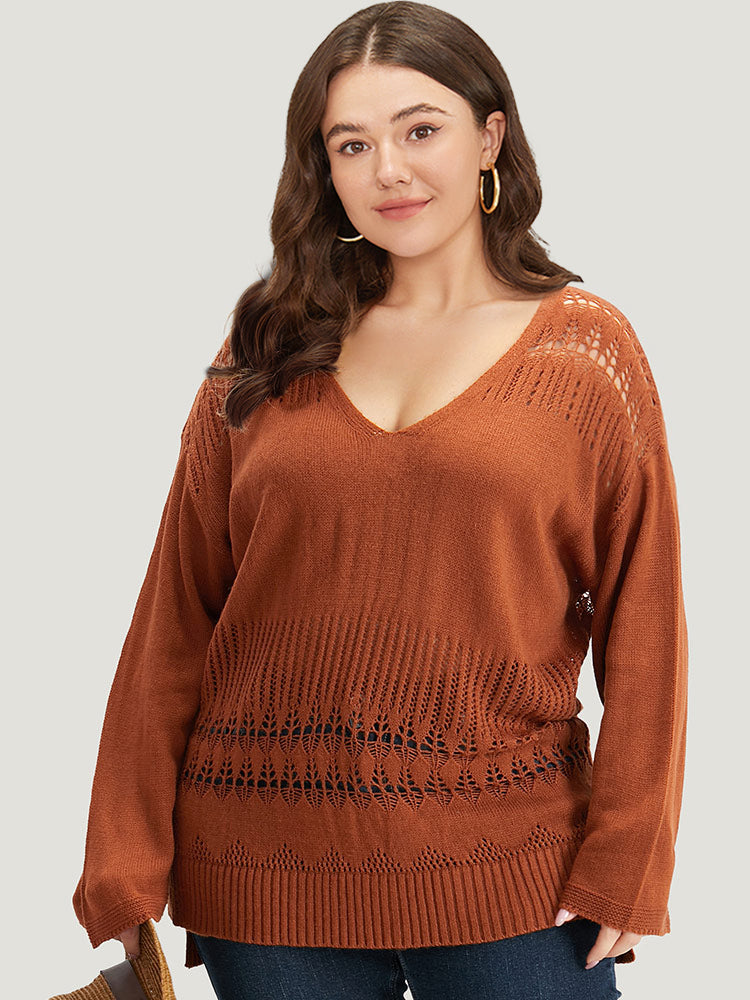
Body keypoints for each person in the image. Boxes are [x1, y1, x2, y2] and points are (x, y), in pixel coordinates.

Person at [71, 3, 688, 999]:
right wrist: (123, 858)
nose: (389, 170)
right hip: (262, 878)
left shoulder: (587, 353)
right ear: (325, 170)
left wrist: (632, 859)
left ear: (489, 137)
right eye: (351, 144)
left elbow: (645, 623)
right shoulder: (268, 345)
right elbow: (175, 616)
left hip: (512, 871)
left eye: (420, 129)